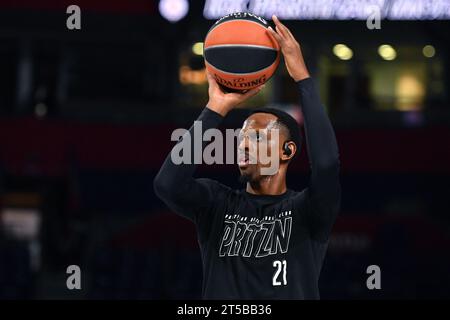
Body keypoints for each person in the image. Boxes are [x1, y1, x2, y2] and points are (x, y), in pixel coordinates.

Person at [154, 15, 341, 299]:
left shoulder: (307, 211)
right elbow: (167, 184)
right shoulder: (216, 203)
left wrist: (302, 78)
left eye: (255, 137)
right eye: (240, 138)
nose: (242, 145)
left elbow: (326, 165)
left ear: (287, 151)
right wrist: (215, 108)